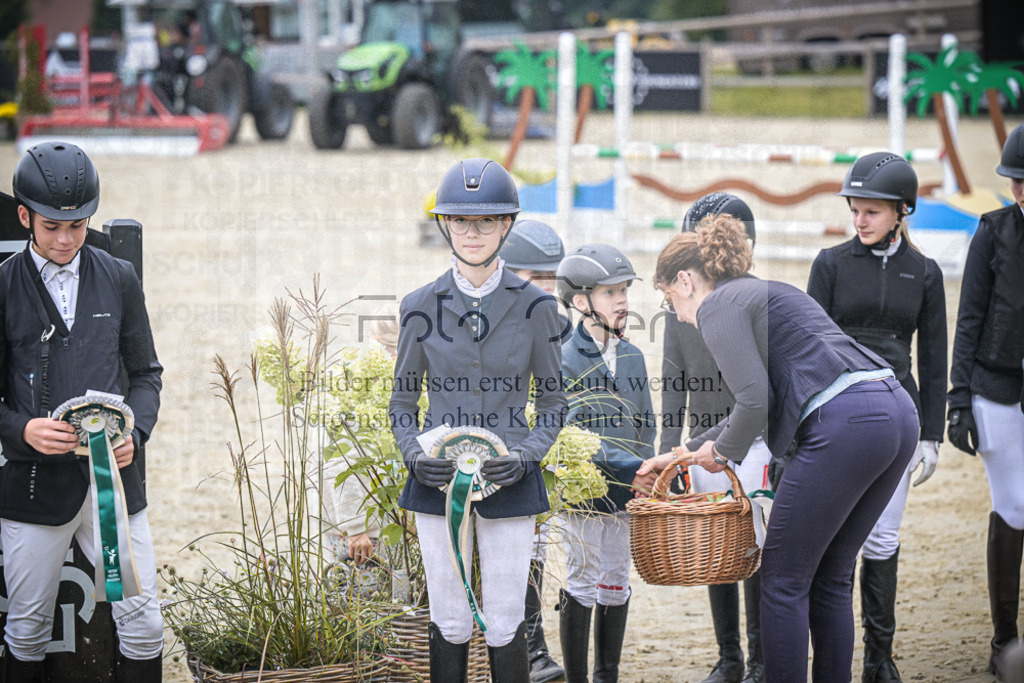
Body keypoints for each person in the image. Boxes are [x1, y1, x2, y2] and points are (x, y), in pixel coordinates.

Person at [638, 215, 919, 683]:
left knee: (782, 582)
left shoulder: (716, 306)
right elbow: (757, 403)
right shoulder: (766, 290)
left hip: (844, 423)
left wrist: (722, 454)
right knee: (830, 578)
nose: (677, 313)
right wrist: (685, 452)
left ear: (685, 281)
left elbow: (754, 401)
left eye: (669, 298)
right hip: (897, 412)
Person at [388, 158, 566, 682]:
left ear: (506, 225)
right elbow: (402, 407)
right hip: (438, 481)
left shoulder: (538, 308)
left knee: (507, 621)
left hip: (510, 476)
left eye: (485, 221)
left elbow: (553, 405)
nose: (472, 232)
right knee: (449, 617)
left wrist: (526, 456)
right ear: (445, 224)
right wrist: (416, 456)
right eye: (460, 221)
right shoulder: (418, 305)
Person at [0, 142, 164, 681]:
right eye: (51, 227)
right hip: (31, 485)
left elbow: (145, 376)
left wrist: (135, 433)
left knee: (144, 625)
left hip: (113, 482)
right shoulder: (2, 287)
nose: (66, 239)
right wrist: (20, 428)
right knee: (26, 628)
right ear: (24, 216)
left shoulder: (119, 277)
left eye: (77, 225)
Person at [807, 152, 946, 683]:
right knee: (837, 537)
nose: (859, 220)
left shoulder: (925, 273)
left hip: (900, 416)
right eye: (855, 210)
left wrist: (931, 434)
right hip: (840, 415)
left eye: (871, 212)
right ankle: (833, 657)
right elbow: (808, 346)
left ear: (901, 212)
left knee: (883, 538)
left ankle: (879, 659)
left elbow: (935, 358)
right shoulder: (830, 264)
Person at [659, 193, 769, 683]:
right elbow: (672, 388)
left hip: (755, 441)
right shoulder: (676, 314)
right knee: (716, 554)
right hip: (704, 445)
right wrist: (670, 457)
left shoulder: (750, 300)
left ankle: (762, 660)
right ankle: (730, 657)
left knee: (756, 551)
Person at [555, 244, 657, 683]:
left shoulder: (632, 356)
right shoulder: (563, 357)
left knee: (616, 578)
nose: (622, 300)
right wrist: (633, 467)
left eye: (624, 290)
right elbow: (572, 432)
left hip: (626, 491)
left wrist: (649, 468)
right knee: (582, 579)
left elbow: (646, 423)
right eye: (610, 291)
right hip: (583, 490)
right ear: (581, 302)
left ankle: (606, 676)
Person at [947, 121, 1024, 681]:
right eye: (1016, 182)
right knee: (1012, 507)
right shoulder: (993, 232)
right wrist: (957, 399)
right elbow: (968, 318)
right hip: (997, 388)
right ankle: (1004, 640)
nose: (1021, 191)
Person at [497, 219, 566, 683]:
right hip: (488, 447)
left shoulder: (555, 321)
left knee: (535, 547)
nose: (544, 289)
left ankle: (535, 645)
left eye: (550, 280)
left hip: (534, 447)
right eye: (533, 279)